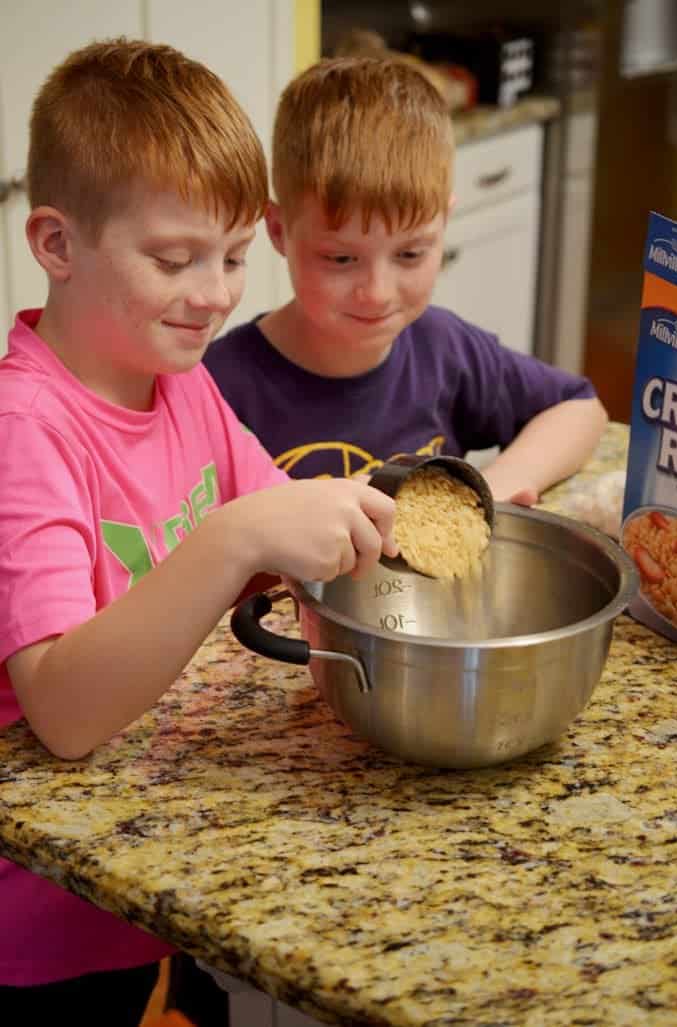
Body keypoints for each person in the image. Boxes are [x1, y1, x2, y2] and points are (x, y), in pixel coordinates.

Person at [0, 40, 397, 1026]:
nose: (216, 293)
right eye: (175, 260)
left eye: (230, 258)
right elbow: (62, 710)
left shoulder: (179, 380)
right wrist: (231, 538)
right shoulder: (23, 432)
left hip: (156, 875)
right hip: (41, 926)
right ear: (56, 244)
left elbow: (285, 532)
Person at [204, 56, 608, 504]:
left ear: (443, 224)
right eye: (341, 258)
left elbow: (579, 407)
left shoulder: (444, 349)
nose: (377, 292)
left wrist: (486, 492)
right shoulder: (216, 388)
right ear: (278, 231)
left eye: (410, 254)